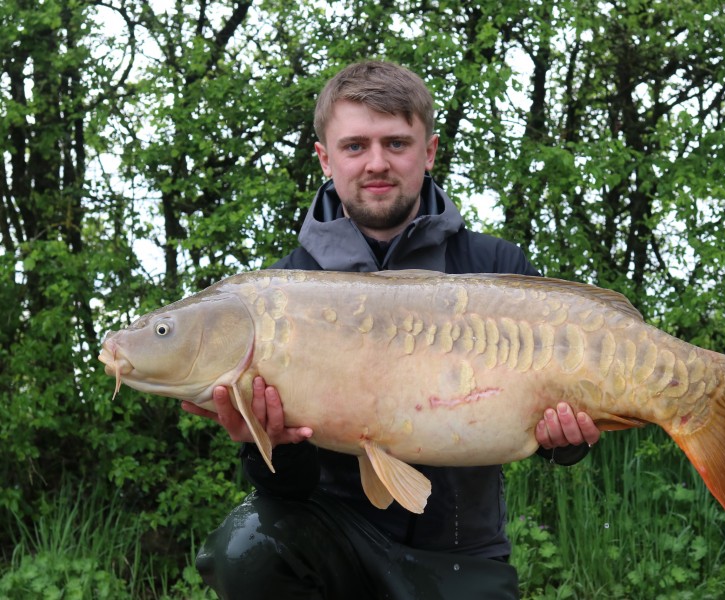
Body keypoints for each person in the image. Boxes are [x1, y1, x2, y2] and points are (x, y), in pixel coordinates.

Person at [183, 60, 601, 599]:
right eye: (355, 146)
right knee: (245, 552)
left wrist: (566, 441)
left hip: (459, 549)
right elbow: (283, 491)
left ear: (428, 152)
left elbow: (552, 434)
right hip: (336, 537)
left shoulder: (494, 267)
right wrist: (273, 443)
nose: (376, 163)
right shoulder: (288, 288)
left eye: (396, 144)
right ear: (325, 159)